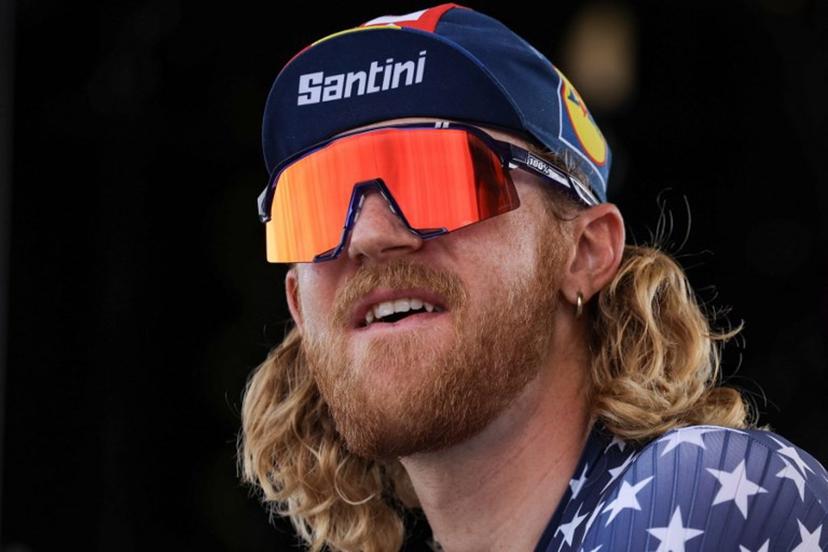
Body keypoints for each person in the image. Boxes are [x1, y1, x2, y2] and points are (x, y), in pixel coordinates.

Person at [237, 4, 828, 551]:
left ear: (586, 252)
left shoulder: (714, 487)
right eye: (313, 205)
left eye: (437, 177)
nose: (368, 236)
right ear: (298, 301)